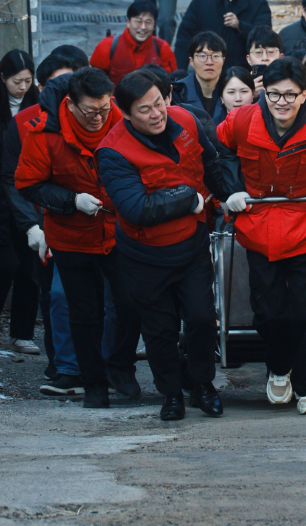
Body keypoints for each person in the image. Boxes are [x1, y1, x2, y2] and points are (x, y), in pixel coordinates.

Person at [217, 57, 306, 414]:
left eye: (290, 95)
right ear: (263, 92)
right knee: (268, 311)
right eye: (274, 94)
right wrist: (232, 189)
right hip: (258, 225)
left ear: (304, 93)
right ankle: (279, 368)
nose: (281, 102)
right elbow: (220, 151)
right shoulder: (242, 119)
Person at [97, 70, 228, 421]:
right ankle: (171, 394)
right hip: (145, 256)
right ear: (124, 113)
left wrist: (229, 198)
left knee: (202, 319)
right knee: (160, 330)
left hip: (192, 245)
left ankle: (202, 384)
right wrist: (189, 199)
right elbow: (136, 208)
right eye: (145, 109)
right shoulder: (111, 151)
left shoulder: (185, 119)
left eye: (159, 103)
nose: (156, 114)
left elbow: (209, 162)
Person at [15, 67, 141, 409]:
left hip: (119, 232)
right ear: (70, 105)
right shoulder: (45, 133)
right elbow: (28, 184)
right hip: (71, 236)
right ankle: (93, 383)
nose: (99, 118)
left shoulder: (123, 121)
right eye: (91, 111)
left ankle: (120, 368)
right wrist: (71, 202)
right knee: (84, 313)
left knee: (131, 302)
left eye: (105, 108)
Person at [0, 48, 89, 392]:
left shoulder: (98, 116)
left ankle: (97, 363)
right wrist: (31, 226)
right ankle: (62, 364)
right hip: (43, 223)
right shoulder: (24, 122)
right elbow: (13, 178)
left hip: (91, 221)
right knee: (54, 295)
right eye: (55, 84)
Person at [0, 50, 41, 354]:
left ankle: (22, 332)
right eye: (17, 81)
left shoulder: (36, 103)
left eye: (28, 80)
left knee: (29, 266)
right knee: (5, 263)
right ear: (3, 77)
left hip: (26, 191)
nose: (23, 87)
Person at [91, 0, 177, 84]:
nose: (143, 27)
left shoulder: (162, 47)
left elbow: (171, 81)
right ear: (128, 22)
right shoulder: (107, 45)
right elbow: (95, 82)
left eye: (148, 22)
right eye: (138, 22)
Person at [175, 32, 227, 124]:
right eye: (202, 56)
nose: (209, 62)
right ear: (191, 61)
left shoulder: (234, 91)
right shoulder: (178, 92)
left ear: (223, 61)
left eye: (215, 56)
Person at [246, 25, 284, 97]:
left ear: (281, 57)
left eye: (271, 52)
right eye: (258, 52)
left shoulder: (290, 83)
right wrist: (249, 96)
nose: (265, 58)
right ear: (248, 59)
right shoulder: (239, 86)